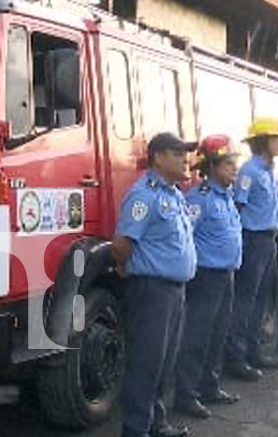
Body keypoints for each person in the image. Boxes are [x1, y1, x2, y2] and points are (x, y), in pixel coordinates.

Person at [113, 132, 197, 437]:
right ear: (158, 157)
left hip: (175, 290)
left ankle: (157, 424)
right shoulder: (144, 195)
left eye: (185, 153)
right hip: (152, 291)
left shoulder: (174, 194)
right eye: (178, 153)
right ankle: (136, 430)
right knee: (146, 363)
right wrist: (126, 265)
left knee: (165, 362)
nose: (186, 158)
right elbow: (122, 245)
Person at [175, 134, 242, 420]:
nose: (235, 169)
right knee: (197, 336)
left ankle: (210, 386)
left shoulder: (227, 197)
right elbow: (184, 237)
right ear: (213, 167)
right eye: (229, 164)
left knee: (218, 333)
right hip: (205, 277)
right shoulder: (198, 199)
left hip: (226, 274)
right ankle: (186, 395)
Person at [224, 117, 278, 382]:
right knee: (246, 300)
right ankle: (236, 357)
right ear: (263, 142)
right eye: (275, 139)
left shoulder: (268, 171)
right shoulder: (249, 171)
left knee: (261, 298)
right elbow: (238, 208)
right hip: (253, 239)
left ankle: (254, 350)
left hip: (269, 239)